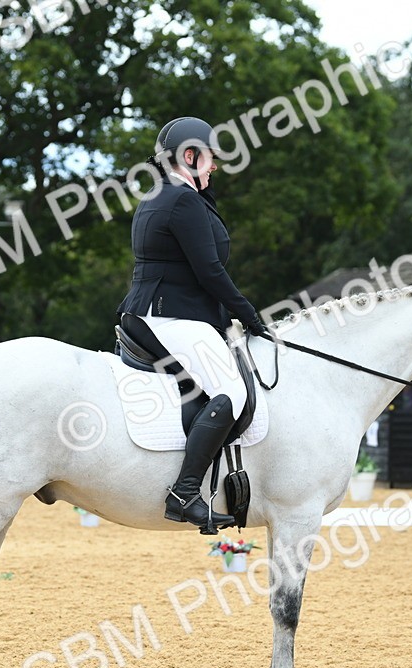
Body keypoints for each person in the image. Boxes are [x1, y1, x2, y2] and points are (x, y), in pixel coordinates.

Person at [117, 116, 267, 533]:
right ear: (189, 156)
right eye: (209, 159)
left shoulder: (160, 194)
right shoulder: (181, 200)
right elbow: (210, 272)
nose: (215, 166)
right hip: (172, 314)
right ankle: (184, 492)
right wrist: (250, 315)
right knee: (231, 391)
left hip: (156, 308)